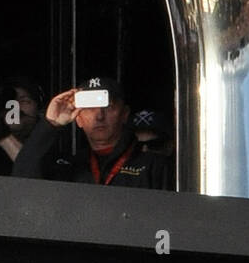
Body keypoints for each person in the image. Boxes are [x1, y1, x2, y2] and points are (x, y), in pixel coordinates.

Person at [12, 76, 174, 190]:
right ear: (78, 119)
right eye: (89, 108)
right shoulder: (69, 167)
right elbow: (22, 181)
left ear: (124, 114)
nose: (99, 116)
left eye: (108, 106)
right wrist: (50, 124)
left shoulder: (154, 166)